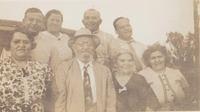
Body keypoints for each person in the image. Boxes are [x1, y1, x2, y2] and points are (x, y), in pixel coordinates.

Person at [55, 28, 116, 112]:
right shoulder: (64, 68)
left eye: (90, 44)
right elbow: (60, 98)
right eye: (81, 44)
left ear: (94, 48)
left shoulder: (104, 71)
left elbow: (110, 100)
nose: (85, 47)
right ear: (74, 47)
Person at [0, 27, 53, 112]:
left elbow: (50, 98)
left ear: (31, 45)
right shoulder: (1, 68)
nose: (21, 45)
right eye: (16, 42)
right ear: (9, 44)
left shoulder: (43, 69)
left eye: (26, 42)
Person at [139, 44, 189, 111]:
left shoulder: (176, 72)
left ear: (165, 57)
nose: (157, 60)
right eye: (153, 58)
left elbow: (186, 90)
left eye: (160, 57)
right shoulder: (141, 75)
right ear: (148, 60)